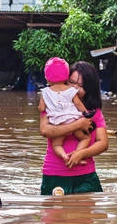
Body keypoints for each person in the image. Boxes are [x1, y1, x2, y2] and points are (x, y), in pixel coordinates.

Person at [39, 61, 108, 195]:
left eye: (81, 86)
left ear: (90, 88)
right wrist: (78, 124)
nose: (75, 89)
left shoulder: (93, 112)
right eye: (71, 82)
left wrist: (81, 154)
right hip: (54, 174)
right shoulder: (51, 105)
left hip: (86, 176)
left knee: (86, 216)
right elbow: (45, 131)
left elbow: (103, 143)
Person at [38, 57, 95, 161]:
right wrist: (86, 114)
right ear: (66, 78)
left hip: (58, 123)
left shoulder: (45, 92)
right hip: (72, 119)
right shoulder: (71, 90)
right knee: (85, 138)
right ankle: (77, 154)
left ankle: (64, 156)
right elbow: (78, 104)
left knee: (57, 145)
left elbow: (41, 108)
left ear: (47, 78)